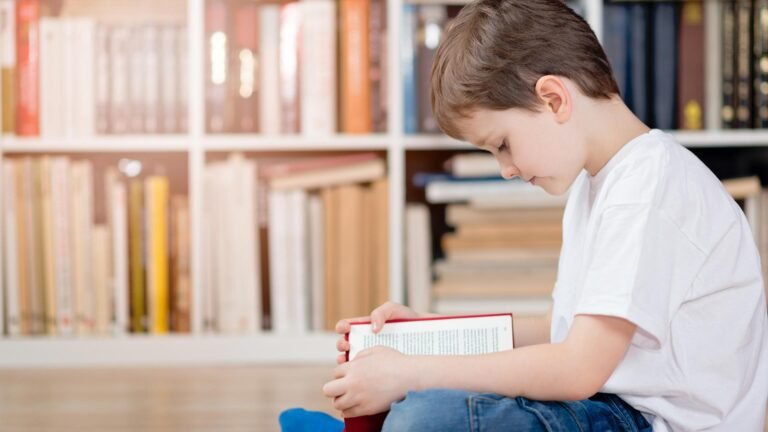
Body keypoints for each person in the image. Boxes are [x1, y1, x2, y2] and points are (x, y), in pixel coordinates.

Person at [321, 0, 768, 430]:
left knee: (427, 417)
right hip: (610, 408)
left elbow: (575, 370)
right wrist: (432, 333)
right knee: (433, 404)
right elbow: (562, 332)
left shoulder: (646, 189)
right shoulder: (598, 185)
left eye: (502, 144)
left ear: (554, 99)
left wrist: (413, 373)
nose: (506, 169)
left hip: (643, 421)